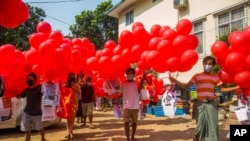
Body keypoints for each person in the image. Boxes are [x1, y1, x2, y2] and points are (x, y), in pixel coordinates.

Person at [168, 56, 240, 141]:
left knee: (213, 124)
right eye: (207, 63)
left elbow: (223, 89)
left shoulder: (216, 77)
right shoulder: (197, 76)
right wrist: (174, 80)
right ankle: (197, 138)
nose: (208, 65)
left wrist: (237, 87)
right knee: (200, 126)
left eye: (210, 64)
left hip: (211, 103)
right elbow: (185, 86)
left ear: (213, 66)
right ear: (203, 64)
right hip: (200, 103)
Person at [18, 72, 45, 141]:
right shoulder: (26, 89)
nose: (29, 80)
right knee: (27, 132)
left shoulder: (39, 88)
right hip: (27, 113)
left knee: (40, 129)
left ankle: (43, 137)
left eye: (31, 79)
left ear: (35, 80)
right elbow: (19, 96)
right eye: (28, 79)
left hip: (37, 113)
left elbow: (46, 93)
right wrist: (11, 92)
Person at [120, 67, 140, 141]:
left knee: (135, 123)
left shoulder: (137, 83)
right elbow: (119, 93)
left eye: (131, 73)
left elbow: (142, 88)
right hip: (126, 106)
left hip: (135, 106)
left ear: (134, 75)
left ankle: (132, 137)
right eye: (128, 73)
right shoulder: (123, 84)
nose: (130, 75)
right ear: (126, 75)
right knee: (126, 122)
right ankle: (128, 138)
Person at [64, 73, 81, 139]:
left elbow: (79, 93)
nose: (72, 77)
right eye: (70, 76)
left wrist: (74, 88)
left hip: (74, 103)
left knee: (72, 118)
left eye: (73, 76)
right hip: (67, 103)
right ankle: (69, 132)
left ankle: (69, 132)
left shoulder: (76, 84)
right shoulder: (66, 85)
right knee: (68, 118)